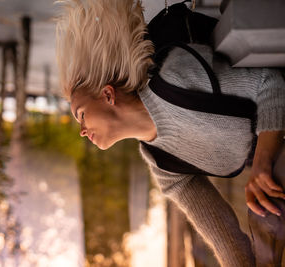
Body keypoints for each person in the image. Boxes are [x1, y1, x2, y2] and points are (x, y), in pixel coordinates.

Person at [55, 0, 285, 266]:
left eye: (81, 114)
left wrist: (261, 164)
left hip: (277, 135)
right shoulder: (162, 165)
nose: (82, 132)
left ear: (107, 95)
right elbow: (227, 240)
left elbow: (271, 82)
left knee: (267, 211)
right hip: (274, 168)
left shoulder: (176, 79)